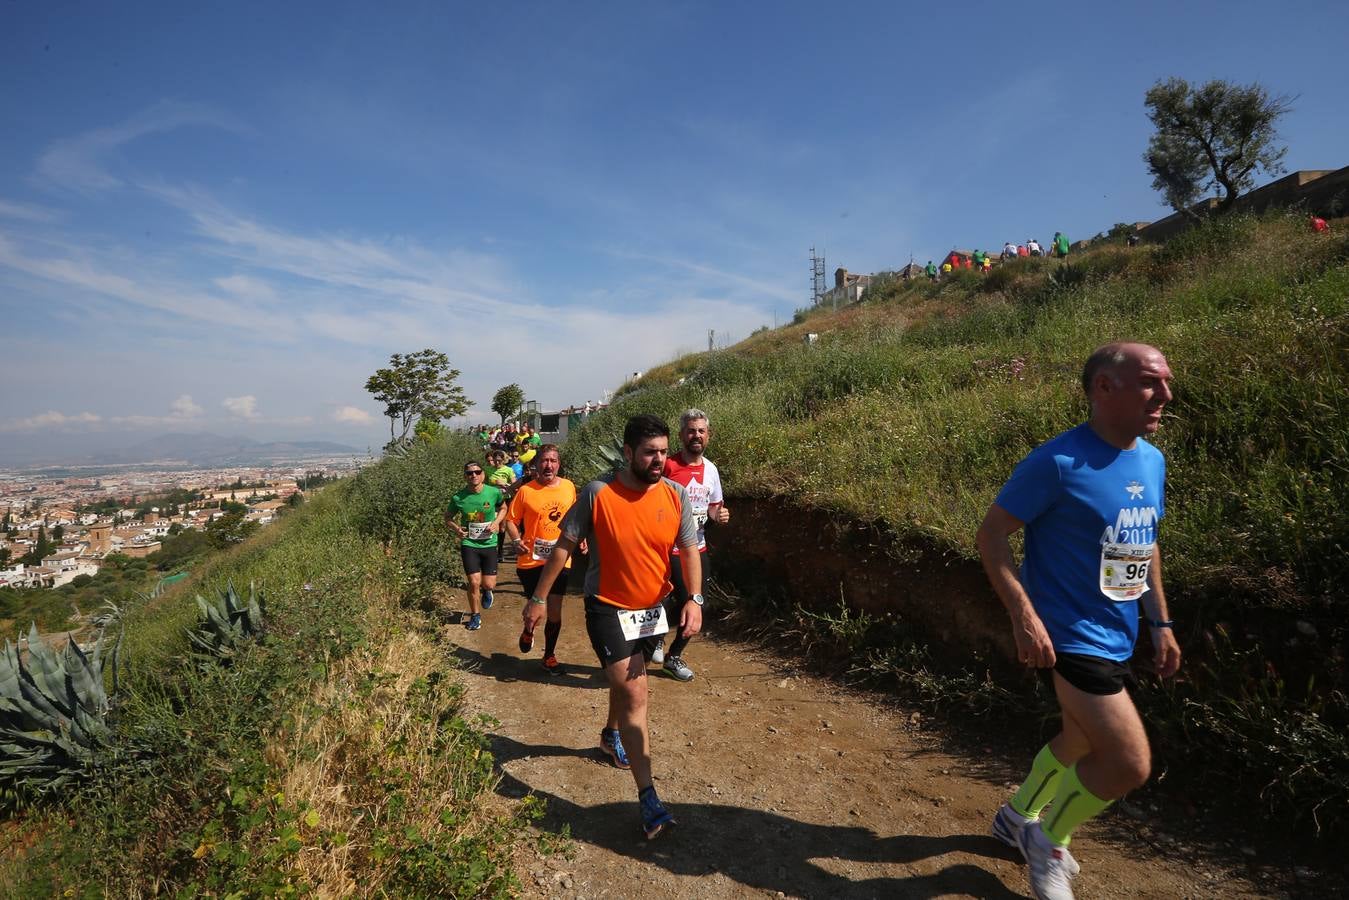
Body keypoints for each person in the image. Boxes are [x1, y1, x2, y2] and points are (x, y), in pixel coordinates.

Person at [976, 342, 1180, 900]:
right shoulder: (1058, 463)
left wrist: (1158, 622)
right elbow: (991, 536)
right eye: (1149, 382)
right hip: (1070, 637)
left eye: (1165, 382)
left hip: (1121, 632)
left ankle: (1017, 816)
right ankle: (1048, 840)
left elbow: (1145, 541)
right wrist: (1024, 616)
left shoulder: (1152, 460)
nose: (1165, 394)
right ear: (1103, 389)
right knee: (1128, 762)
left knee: (1077, 740)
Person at [522, 414, 701, 839]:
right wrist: (538, 598)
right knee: (636, 692)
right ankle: (649, 799)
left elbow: (690, 550)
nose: (658, 460)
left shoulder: (676, 495)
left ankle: (608, 735)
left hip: (653, 609)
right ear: (627, 453)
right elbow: (565, 546)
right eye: (649, 453)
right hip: (606, 609)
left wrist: (694, 599)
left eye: (662, 451)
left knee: (623, 685)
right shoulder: (598, 494)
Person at [651, 409, 728, 681]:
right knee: (660, 598)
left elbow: (713, 506)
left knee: (697, 604)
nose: (696, 435)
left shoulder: (711, 470)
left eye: (701, 431)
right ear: (682, 435)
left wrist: (718, 515)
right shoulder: (667, 465)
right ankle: (657, 639)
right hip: (665, 549)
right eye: (691, 431)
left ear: (708, 435)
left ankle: (674, 656)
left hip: (696, 548)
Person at [505, 444, 578, 674]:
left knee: (554, 611)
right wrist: (516, 541)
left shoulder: (568, 487)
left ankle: (549, 656)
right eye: (544, 461)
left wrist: (581, 537)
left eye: (553, 460)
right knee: (539, 609)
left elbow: (575, 517)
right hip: (531, 561)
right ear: (536, 465)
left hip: (560, 559)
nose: (549, 465)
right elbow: (510, 520)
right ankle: (529, 628)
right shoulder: (526, 491)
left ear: (559, 464)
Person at [446, 460, 508, 631]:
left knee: (488, 584)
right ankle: (475, 615)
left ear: (483, 474)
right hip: (469, 543)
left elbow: (503, 508)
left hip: (489, 543)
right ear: (465, 476)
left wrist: (496, 523)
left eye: (476, 472)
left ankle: (487, 591)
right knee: (474, 582)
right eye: (469, 473)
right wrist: (457, 530)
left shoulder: (493, 492)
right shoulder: (458, 497)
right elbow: (448, 518)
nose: (473, 475)